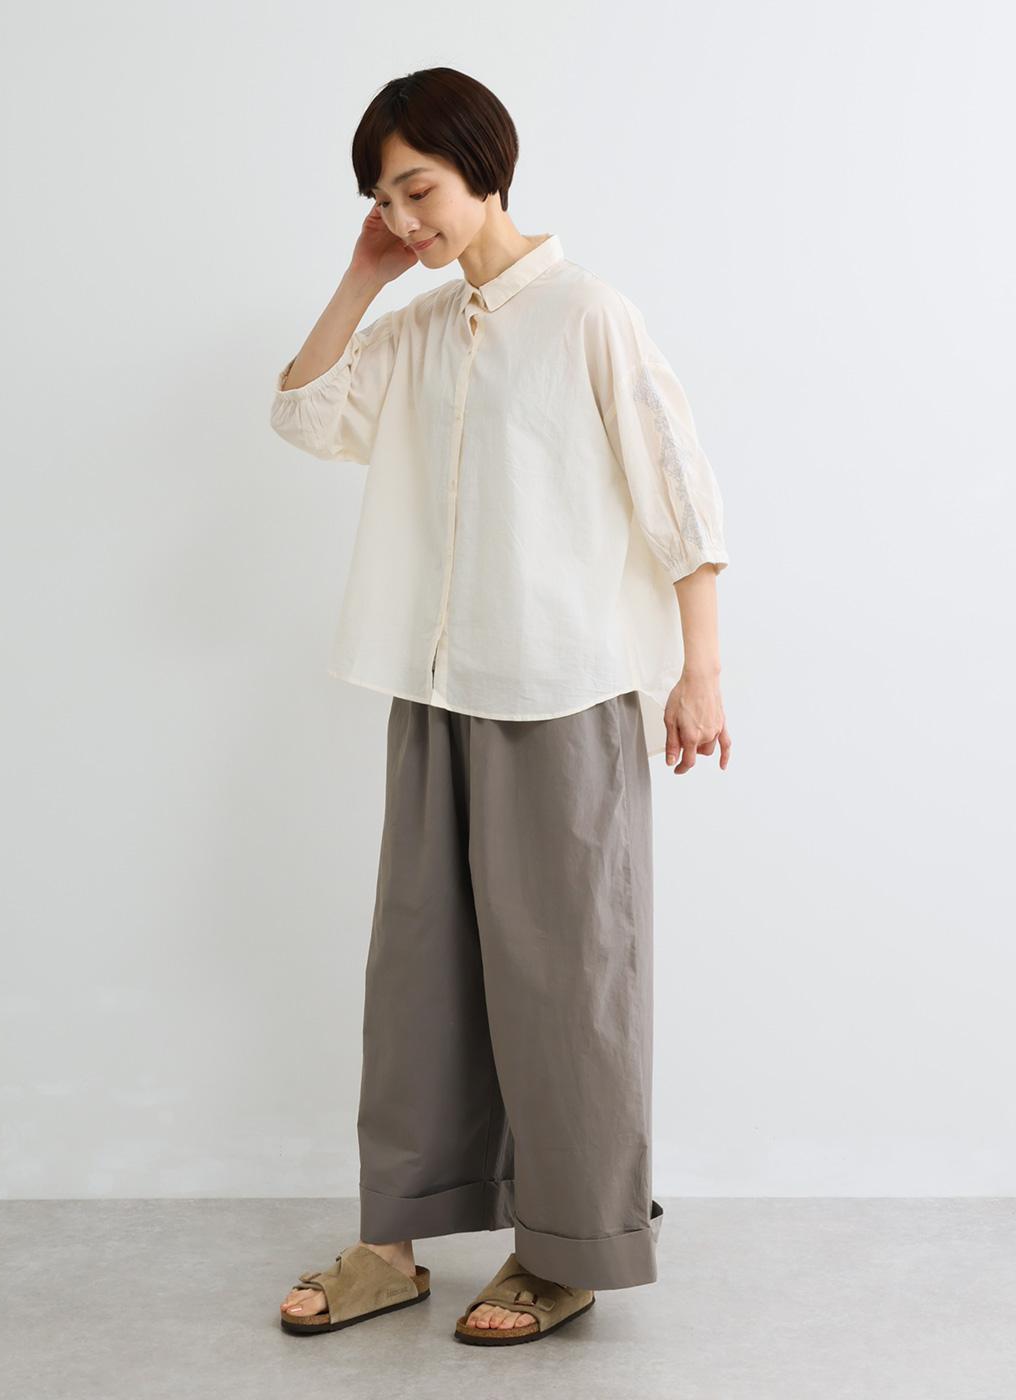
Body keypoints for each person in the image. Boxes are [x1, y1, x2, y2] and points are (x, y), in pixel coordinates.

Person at [268, 66, 731, 1345]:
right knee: (416, 971)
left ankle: (563, 1248)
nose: (403, 218)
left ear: (485, 165)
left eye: (417, 189)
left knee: (566, 976)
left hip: (564, 689)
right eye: (383, 199)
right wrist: (364, 276)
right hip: (434, 687)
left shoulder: (590, 313)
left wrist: (699, 668)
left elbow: (681, 494)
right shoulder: (418, 329)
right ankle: (391, 1243)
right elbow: (302, 413)